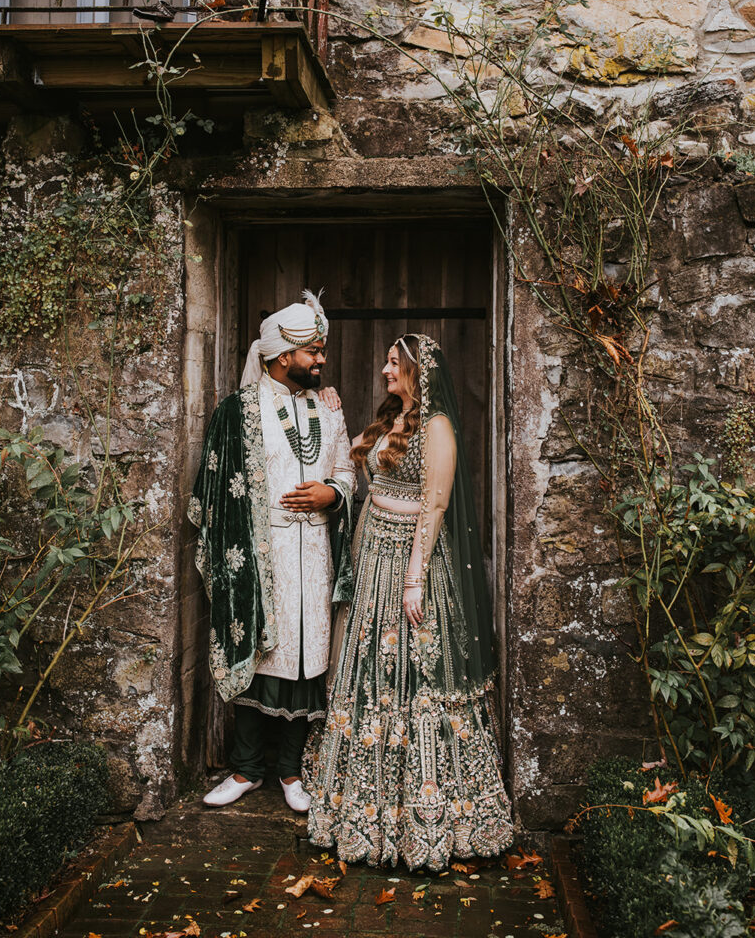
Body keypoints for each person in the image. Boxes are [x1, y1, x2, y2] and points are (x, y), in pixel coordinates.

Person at [305, 333, 512, 869]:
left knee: (416, 673)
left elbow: (437, 503)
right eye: (386, 360)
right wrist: (327, 406)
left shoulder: (437, 426)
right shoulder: (390, 420)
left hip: (411, 562)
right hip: (373, 554)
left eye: (393, 363)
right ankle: (360, 808)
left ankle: (425, 814)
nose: (383, 369)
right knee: (370, 671)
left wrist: (415, 576)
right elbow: (352, 461)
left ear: (418, 371)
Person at [188, 290, 355, 813]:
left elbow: (348, 469)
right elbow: (212, 492)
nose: (322, 359)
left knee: (307, 661)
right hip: (261, 554)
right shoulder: (237, 413)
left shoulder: (329, 410)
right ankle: (245, 770)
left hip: (315, 554)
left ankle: (291, 773)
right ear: (284, 357)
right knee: (261, 656)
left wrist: (334, 491)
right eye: (314, 351)